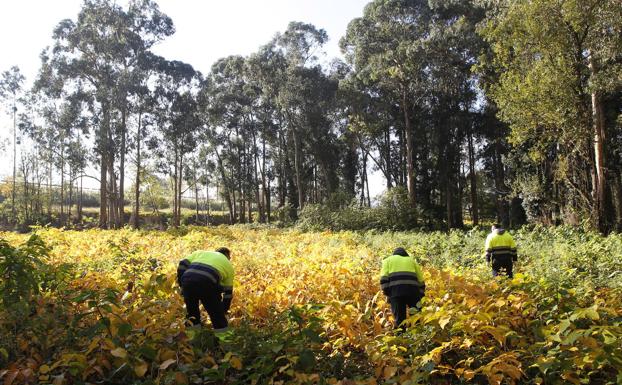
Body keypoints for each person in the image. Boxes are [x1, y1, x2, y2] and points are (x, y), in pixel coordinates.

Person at [177, 247, 234, 334]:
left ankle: (193, 342)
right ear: (228, 256)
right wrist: (223, 310)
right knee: (217, 317)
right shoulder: (229, 266)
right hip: (207, 281)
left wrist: (182, 286)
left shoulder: (201, 252)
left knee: (192, 315)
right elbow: (228, 294)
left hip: (187, 279)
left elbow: (182, 264)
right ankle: (224, 342)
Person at [380, 247, 426, 329]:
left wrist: (388, 293)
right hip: (413, 293)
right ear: (405, 254)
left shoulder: (387, 260)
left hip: (396, 293)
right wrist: (421, 295)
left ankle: (401, 338)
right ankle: (418, 337)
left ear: (394, 254)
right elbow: (421, 281)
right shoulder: (412, 261)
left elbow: (383, 279)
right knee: (416, 318)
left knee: (399, 320)